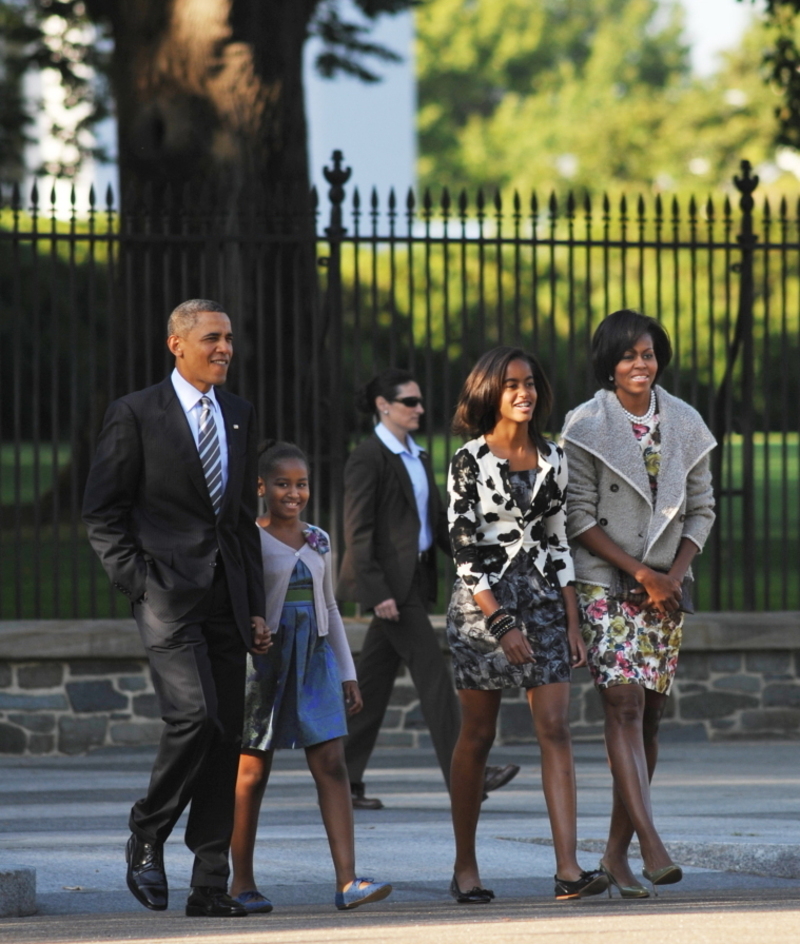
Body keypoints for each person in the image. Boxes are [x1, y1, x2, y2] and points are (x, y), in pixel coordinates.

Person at [82, 299, 270, 918]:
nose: (225, 349)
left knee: (225, 737)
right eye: (213, 338)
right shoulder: (134, 414)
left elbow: (241, 522)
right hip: (165, 593)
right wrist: (137, 581)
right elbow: (102, 512)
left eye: (230, 339)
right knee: (195, 717)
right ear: (176, 344)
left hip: (227, 601)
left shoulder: (238, 415)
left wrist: (256, 608)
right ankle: (147, 829)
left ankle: (209, 884)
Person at [561, 309, 716, 898]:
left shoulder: (685, 422)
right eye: (628, 356)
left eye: (648, 354)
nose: (640, 365)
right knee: (622, 707)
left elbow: (701, 508)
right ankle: (652, 843)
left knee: (649, 718)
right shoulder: (585, 424)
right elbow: (575, 514)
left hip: (664, 593)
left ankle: (615, 856)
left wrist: (671, 577)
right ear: (610, 363)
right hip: (608, 581)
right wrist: (639, 573)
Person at [446, 346, 606, 904]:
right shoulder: (468, 459)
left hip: (542, 601)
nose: (524, 392)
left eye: (531, 382)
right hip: (482, 608)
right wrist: (501, 622)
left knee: (556, 727)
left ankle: (568, 870)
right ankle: (465, 866)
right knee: (478, 736)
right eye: (512, 383)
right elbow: (464, 547)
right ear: (491, 391)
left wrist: (572, 621)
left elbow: (559, 540)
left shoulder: (554, 456)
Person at [337, 368, 519, 809]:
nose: (420, 409)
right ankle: (469, 775)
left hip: (414, 579)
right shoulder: (368, 457)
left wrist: (474, 557)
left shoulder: (415, 456)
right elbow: (357, 532)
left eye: (419, 402)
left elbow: (437, 523)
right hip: (391, 589)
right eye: (410, 402)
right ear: (384, 406)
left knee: (372, 686)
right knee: (436, 678)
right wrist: (377, 591)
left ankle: (341, 778)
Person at [229, 441, 392, 913]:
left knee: (332, 763)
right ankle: (241, 883)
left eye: (301, 484)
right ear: (261, 487)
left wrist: (347, 672)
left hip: (316, 659)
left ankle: (348, 881)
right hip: (265, 662)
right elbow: (239, 600)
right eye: (282, 483)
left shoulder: (318, 539)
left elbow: (332, 606)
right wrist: (252, 631)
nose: (293, 493)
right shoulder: (248, 538)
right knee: (252, 771)